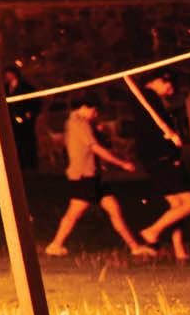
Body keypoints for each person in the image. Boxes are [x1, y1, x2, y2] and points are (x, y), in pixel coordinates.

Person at [43, 100, 155, 257]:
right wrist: (122, 164)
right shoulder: (78, 124)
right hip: (83, 176)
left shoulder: (78, 123)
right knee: (74, 212)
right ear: (84, 107)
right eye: (94, 111)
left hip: (94, 176)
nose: (95, 115)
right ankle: (55, 245)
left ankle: (134, 247)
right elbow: (95, 148)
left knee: (114, 209)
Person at [133, 74, 190, 258]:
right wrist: (171, 143)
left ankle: (179, 250)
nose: (171, 89)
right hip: (161, 159)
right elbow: (156, 128)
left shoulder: (151, 101)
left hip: (158, 159)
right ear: (155, 81)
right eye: (167, 84)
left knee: (177, 206)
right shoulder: (147, 98)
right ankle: (152, 231)